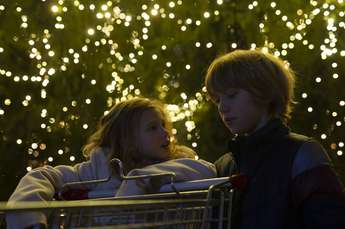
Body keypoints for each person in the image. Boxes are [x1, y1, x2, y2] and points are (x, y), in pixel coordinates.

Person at [6, 97, 216, 229]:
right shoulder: (98, 170)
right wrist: (29, 219)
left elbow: (206, 170)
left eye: (163, 125)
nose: (165, 133)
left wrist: (140, 181)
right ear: (126, 138)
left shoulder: (177, 163)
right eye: (152, 128)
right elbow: (42, 175)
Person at [204, 49, 345, 229]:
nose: (223, 107)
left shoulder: (301, 154)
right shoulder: (225, 165)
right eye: (217, 100)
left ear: (264, 92)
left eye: (232, 95)